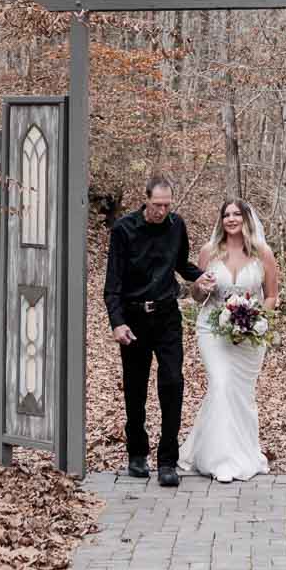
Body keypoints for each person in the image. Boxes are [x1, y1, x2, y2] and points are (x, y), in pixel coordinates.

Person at [104, 174, 209, 486]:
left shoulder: (177, 226)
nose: (161, 211)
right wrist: (117, 322)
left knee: (173, 382)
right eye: (156, 204)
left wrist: (201, 277)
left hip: (166, 316)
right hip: (134, 319)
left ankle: (167, 461)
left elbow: (181, 265)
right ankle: (137, 454)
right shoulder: (123, 229)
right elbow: (112, 285)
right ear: (145, 198)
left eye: (167, 205)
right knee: (135, 389)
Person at [180, 198, 279, 484]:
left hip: (250, 333)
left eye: (237, 214)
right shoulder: (209, 252)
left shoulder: (263, 253)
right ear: (221, 220)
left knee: (240, 394)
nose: (232, 219)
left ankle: (244, 452)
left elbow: (271, 294)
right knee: (221, 385)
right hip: (213, 328)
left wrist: (257, 317)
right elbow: (197, 296)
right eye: (227, 214)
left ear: (247, 219)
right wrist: (199, 286)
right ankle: (220, 460)